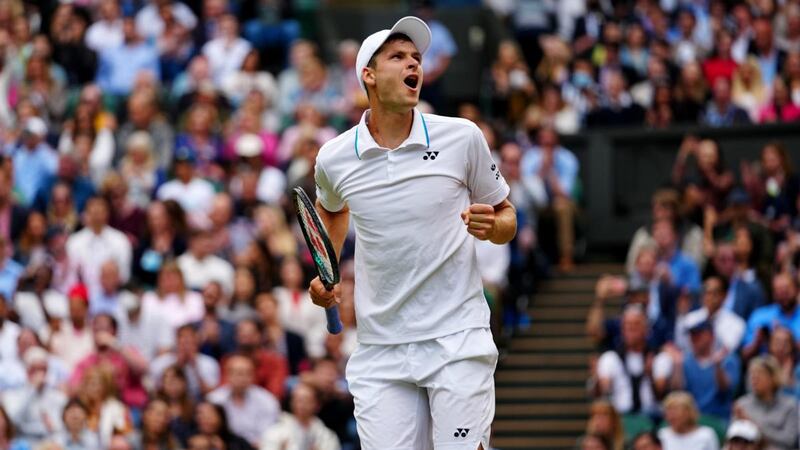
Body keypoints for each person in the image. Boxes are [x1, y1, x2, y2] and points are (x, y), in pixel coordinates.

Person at [309, 16, 516, 450]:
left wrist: (492, 226)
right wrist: (326, 274)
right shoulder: (334, 157)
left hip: (457, 338)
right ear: (368, 74)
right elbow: (332, 212)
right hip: (381, 349)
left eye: (417, 58)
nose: (414, 65)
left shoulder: (462, 137)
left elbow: (506, 217)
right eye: (398, 57)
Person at [206, 354, 280, 447]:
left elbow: (268, 434)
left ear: (253, 376)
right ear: (227, 375)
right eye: (238, 373)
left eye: (247, 374)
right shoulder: (214, 400)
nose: (242, 378)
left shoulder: (267, 401)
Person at [733, 356, 798, 450]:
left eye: (759, 374)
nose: (754, 379)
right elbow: (733, 439)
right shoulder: (742, 405)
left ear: (773, 378)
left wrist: (753, 424)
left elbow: (789, 441)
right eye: (752, 375)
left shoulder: (790, 406)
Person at [259, 382, 341, 450]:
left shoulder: (327, 436)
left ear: (317, 405)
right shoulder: (276, 431)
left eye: (306, 400)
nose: (301, 404)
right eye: (297, 400)